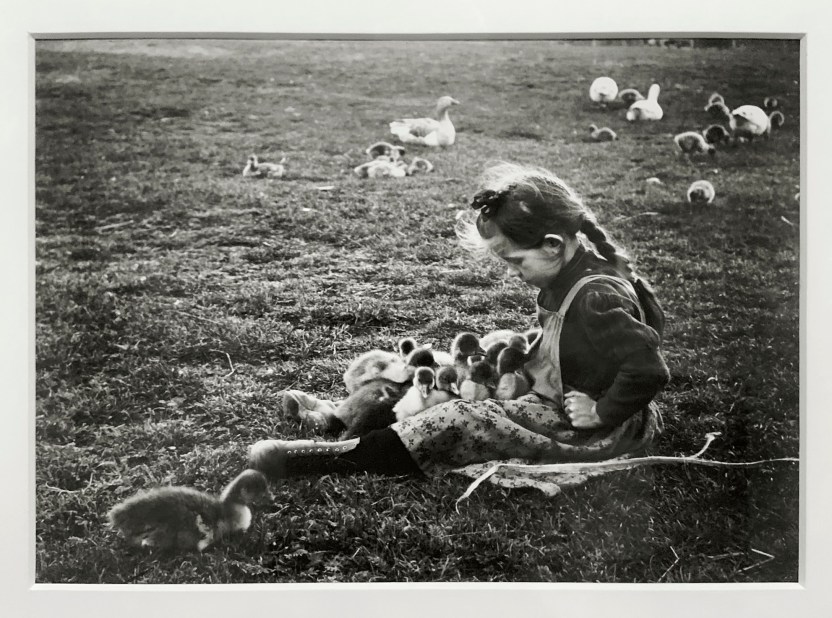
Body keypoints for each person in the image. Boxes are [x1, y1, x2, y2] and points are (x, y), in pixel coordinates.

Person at [248, 163, 670, 480]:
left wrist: (601, 410)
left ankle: (346, 454)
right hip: (554, 393)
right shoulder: (574, 273)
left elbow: (648, 367)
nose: (511, 271)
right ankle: (339, 416)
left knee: (465, 419)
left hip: (586, 428)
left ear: (553, 245)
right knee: (461, 368)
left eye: (514, 260)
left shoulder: (597, 294)